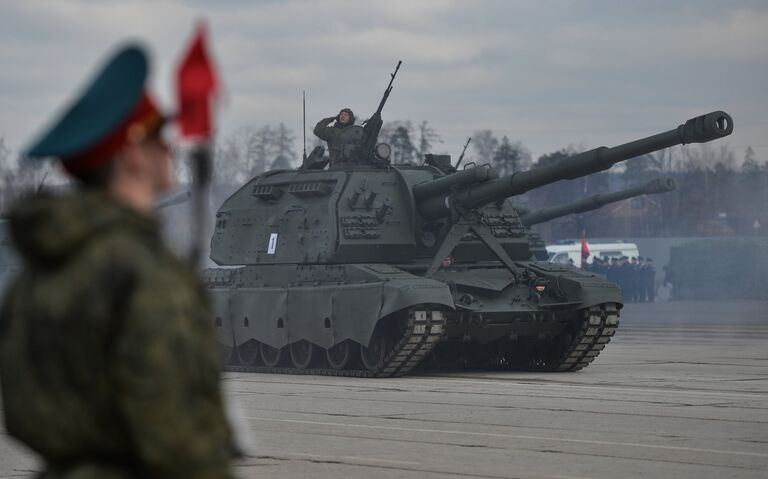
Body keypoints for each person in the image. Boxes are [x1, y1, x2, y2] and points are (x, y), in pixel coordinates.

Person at [0, 45, 234, 478]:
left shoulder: (39, 270)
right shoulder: (142, 272)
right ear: (132, 154)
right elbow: (179, 438)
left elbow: (23, 412)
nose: (170, 150)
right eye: (159, 138)